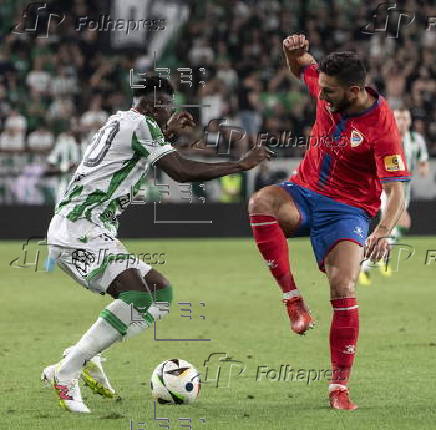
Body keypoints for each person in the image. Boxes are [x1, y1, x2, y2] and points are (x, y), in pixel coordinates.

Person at [42, 76, 271, 413]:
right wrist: (240, 164)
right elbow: (181, 171)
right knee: (136, 296)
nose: (171, 112)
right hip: (79, 229)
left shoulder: (121, 120)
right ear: (152, 104)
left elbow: (130, 158)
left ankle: (85, 356)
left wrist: (166, 134)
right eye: (167, 106)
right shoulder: (141, 124)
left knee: (159, 293)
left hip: (90, 229)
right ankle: (66, 372)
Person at [248, 35, 410, 410]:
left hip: (348, 211)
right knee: (261, 202)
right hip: (304, 193)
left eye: (330, 92)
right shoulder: (326, 85)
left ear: (354, 91)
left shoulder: (381, 127)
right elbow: (304, 65)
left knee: (343, 286)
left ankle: (339, 387)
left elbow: (397, 189)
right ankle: (293, 300)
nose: (321, 97)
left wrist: (383, 231)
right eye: (321, 88)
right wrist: (292, 55)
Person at [359, 106, 430, 284]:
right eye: (398, 118)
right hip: (387, 189)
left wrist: (423, 167)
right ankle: (367, 266)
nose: (402, 122)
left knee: (394, 229)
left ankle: (379, 261)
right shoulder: (387, 138)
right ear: (393, 119)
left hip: (404, 192)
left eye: (405, 118)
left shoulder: (416, 140)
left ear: (410, 121)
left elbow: (423, 161)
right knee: (396, 225)